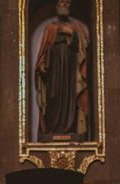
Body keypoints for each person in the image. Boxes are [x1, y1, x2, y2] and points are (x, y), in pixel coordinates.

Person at [35, 0, 89, 141]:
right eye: (61, 4)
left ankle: (69, 128)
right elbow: (43, 51)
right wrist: (41, 65)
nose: (64, 7)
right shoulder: (50, 27)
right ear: (56, 7)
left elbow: (85, 46)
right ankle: (52, 129)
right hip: (54, 69)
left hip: (71, 70)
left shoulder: (76, 27)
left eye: (66, 5)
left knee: (70, 96)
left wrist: (73, 34)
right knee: (53, 95)